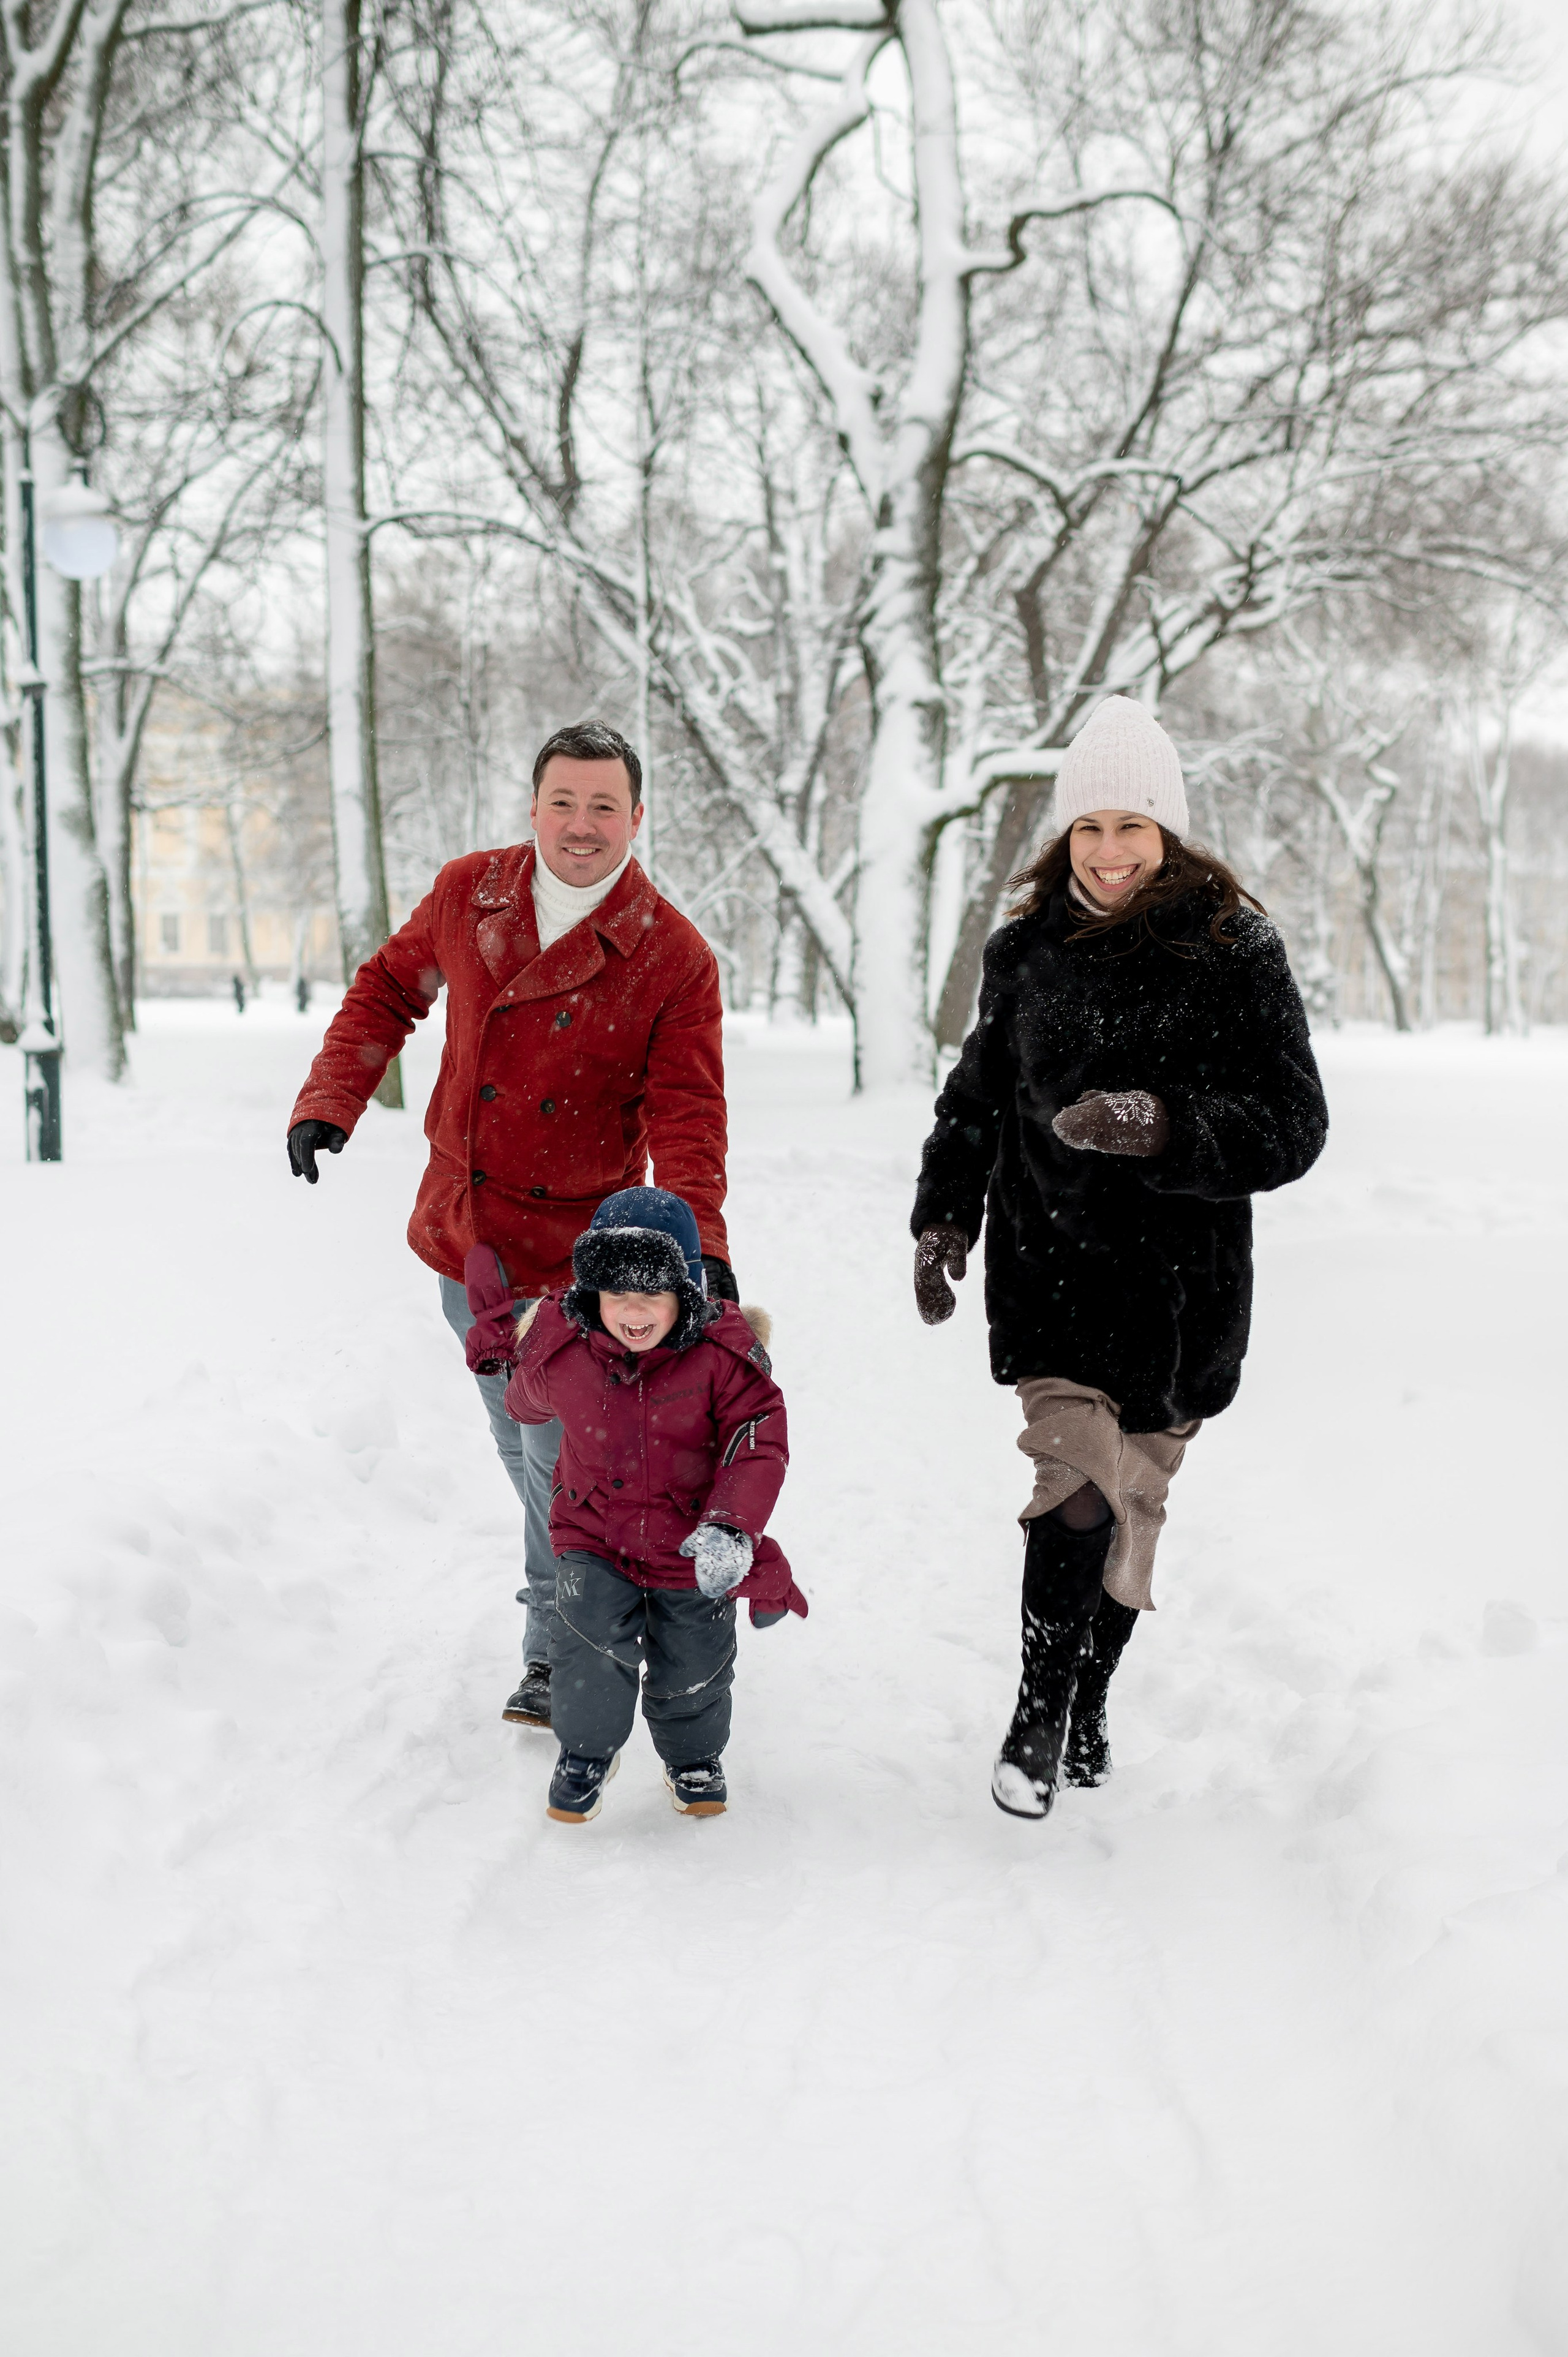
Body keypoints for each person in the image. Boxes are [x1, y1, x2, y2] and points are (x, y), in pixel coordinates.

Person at [910, 697, 1328, 1821]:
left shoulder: (1236, 950)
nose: (1107, 850)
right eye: (1089, 825)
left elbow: (1295, 1123)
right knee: (1076, 1489)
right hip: (1051, 1275)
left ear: (1168, 832)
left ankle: (1090, 1694)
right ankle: (1037, 1713)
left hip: (1181, 1293)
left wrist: (1161, 1123)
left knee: (1132, 1500)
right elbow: (977, 1099)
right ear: (1065, 832)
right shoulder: (1025, 951)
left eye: (1131, 827)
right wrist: (943, 1215)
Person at [285, 722, 737, 1731]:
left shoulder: (672, 954)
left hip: (584, 1252)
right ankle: (606, 1569)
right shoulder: (469, 892)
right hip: (467, 1235)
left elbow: (689, 1119)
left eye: (604, 806)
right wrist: (333, 1096)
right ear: (534, 806)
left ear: (636, 817)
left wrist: (700, 1248)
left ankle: (564, 1644)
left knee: (553, 1442)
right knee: (520, 1436)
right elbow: (388, 988)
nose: (582, 825)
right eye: (564, 802)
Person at [496, 1187, 802, 1825]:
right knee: (586, 1642)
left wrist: (730, 1524)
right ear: (591, 1296)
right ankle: (584, 1752)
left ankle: (693, 1756)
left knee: (694, 1661)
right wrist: (523, 1345)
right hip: (593, 1533)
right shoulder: (569, 1345)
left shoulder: (721, 1355)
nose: (633, 1312)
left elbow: (758, 1441)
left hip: (694, 1540)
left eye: (653, 1295)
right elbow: (525, 1406)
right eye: (616, 1295)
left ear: (686, 1291)